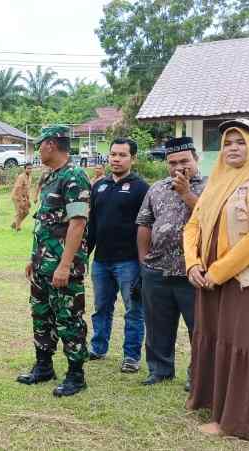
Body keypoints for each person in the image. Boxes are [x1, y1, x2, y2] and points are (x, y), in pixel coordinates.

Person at [183, 118, 249, 440]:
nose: (232, 148)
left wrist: (216, 271)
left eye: (240, 141)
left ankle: (246, 422)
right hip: (217, 281)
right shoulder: (217, 183)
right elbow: (194, 226)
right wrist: (193, 264)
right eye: (228, 142)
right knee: (223, 343)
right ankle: (218, 406)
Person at [16, 126, 91, 397]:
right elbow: (44, 224)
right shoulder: (50, 178)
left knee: (68, 318)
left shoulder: (74, 177)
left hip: (63, 268)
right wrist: (33, 260)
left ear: (50, 145)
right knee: (42, 316)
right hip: (42, 265)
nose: (37, 151)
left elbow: (78, 223)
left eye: (39, 146)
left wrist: (64, 264)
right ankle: (44, 366)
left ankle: (76, 374)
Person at [136, 137, 206, 389]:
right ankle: (159, 370)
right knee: (157, 325)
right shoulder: (156, 188)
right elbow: (144, 223)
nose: (178, 167)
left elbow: (212, 220)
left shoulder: (212, 186)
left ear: (196, 160)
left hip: (195, 271)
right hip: (157, 269)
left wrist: (186, 192)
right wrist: (144, 261)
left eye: (184, 161)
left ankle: (198, 375)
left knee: (199, 328)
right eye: (173, 163)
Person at [87, 138, 149, 373]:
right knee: (101, 307)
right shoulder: (99, 186)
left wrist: (145, 262)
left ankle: (131, 356)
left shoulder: (141, 188)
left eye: (122, 155)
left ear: (133, 158)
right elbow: (93, 223)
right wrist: (86, 253)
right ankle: (98, 348)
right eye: (113, 154)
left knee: (134, 310)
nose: (116, 159)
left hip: (129, 262)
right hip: (101, 261)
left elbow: (147, 227)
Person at [10, 164, 32, 231]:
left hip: (24, 196)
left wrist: (28, 199)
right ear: (24, 169)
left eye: (31, 168)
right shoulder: (21, 177)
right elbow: (18, 188)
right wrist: (21, 201)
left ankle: (15, 223)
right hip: (17, 196)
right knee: (19, 211)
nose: (30, 170)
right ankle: (18, 228)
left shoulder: (30, 177)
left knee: (26, 212)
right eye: (28, 168)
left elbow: (27, 189)